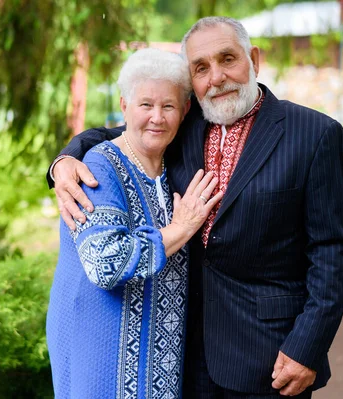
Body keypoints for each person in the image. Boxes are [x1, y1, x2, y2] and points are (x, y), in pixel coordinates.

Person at [47, 17, 343, 399]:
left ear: (253, 60)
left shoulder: (314, 134)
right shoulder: (185, 122)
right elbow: (125, 132)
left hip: (269, 356)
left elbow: (332, 253)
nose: (217, 77)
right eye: (201, 68)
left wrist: (307, 346)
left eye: (228, 59)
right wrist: (63, 161)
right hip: (185, 357)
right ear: (192, 82)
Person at [46, 48, 224, 399]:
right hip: (100, 352)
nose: (157, 117)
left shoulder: (172, 166)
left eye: (168, 106)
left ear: (185, 111)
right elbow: (105, 264)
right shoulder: (97, 168)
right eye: (145, 105)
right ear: (124, 105)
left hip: (160, 362)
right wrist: (181, 229)